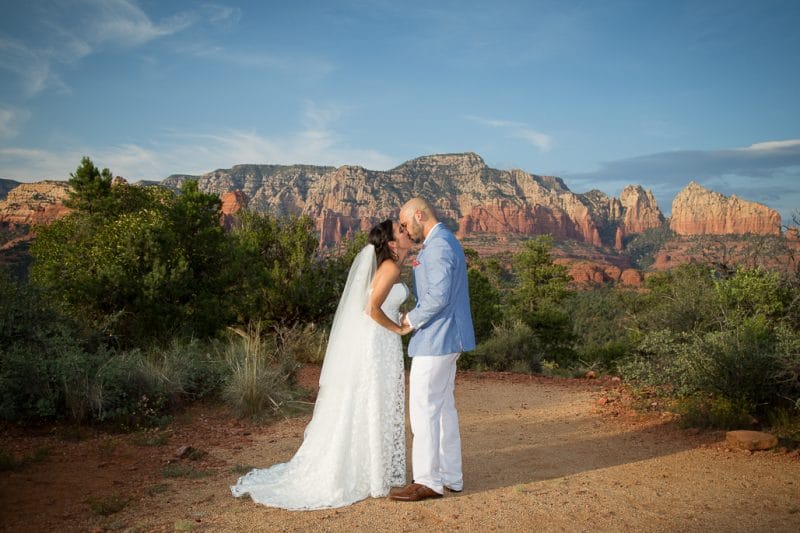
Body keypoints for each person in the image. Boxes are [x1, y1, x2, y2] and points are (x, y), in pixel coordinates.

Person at [231, 220, 414, 510]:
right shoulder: (390, 268)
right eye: (400, 231)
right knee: (374, 401)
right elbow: (371, 309)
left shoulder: (390, 265)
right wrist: (399, 329)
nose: (406, 231)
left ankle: (369, 468)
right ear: (391, 244)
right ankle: (372, 473)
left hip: (375, 342)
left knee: (368, 402)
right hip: (379, 342)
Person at [390, 198, 476, 502]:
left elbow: (438, 296)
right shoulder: (446, 241)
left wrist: (409, 320)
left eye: (404, 223)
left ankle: (427, 481)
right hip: (449, 338)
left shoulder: (439, 246)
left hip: (437, 339)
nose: (404, 230)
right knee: (443, 408)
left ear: (418, 214)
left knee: (424, 408)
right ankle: (451, 476)